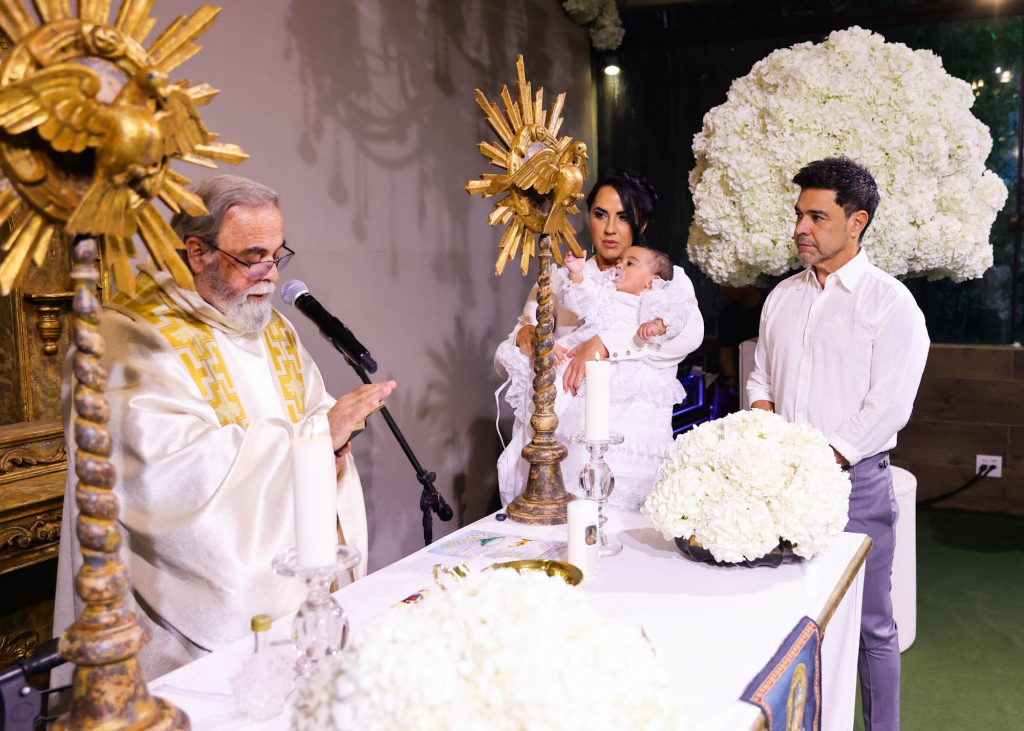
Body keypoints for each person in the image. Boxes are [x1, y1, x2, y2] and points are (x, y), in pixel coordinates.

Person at [53, 175, 395, 683]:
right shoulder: (126, 338)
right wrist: (316, 437)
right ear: (197, 253)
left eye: (277, 255)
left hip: (290, 592)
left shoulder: (273, 330)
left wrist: (332, 440)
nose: (270, 275)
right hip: (176, 626)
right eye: (253, 257)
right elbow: (161, 475)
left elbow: (315, 415)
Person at [747, 157, 929, 731]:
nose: (801, 227)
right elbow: (761, 378)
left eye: (817, 217)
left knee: (872, 626)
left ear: (857, 222)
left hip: (857, 487)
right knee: (788, 619)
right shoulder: (781, 297)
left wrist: (817, 461)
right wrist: (764, 424)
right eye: (799, 214)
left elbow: (889, 406)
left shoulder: (890, 303)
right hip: (778, 485)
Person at [498, 245, 693, 508]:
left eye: (630, 263)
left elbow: (679, 316)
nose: (620, 265)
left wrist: (658, 324)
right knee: (560, 403)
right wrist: (577, 274)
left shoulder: (657, 296)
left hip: (629, 376)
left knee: (627, 443)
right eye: (620, 260)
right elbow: (580, 302)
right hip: (587, 367)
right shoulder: (604, 289)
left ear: (652, 281)